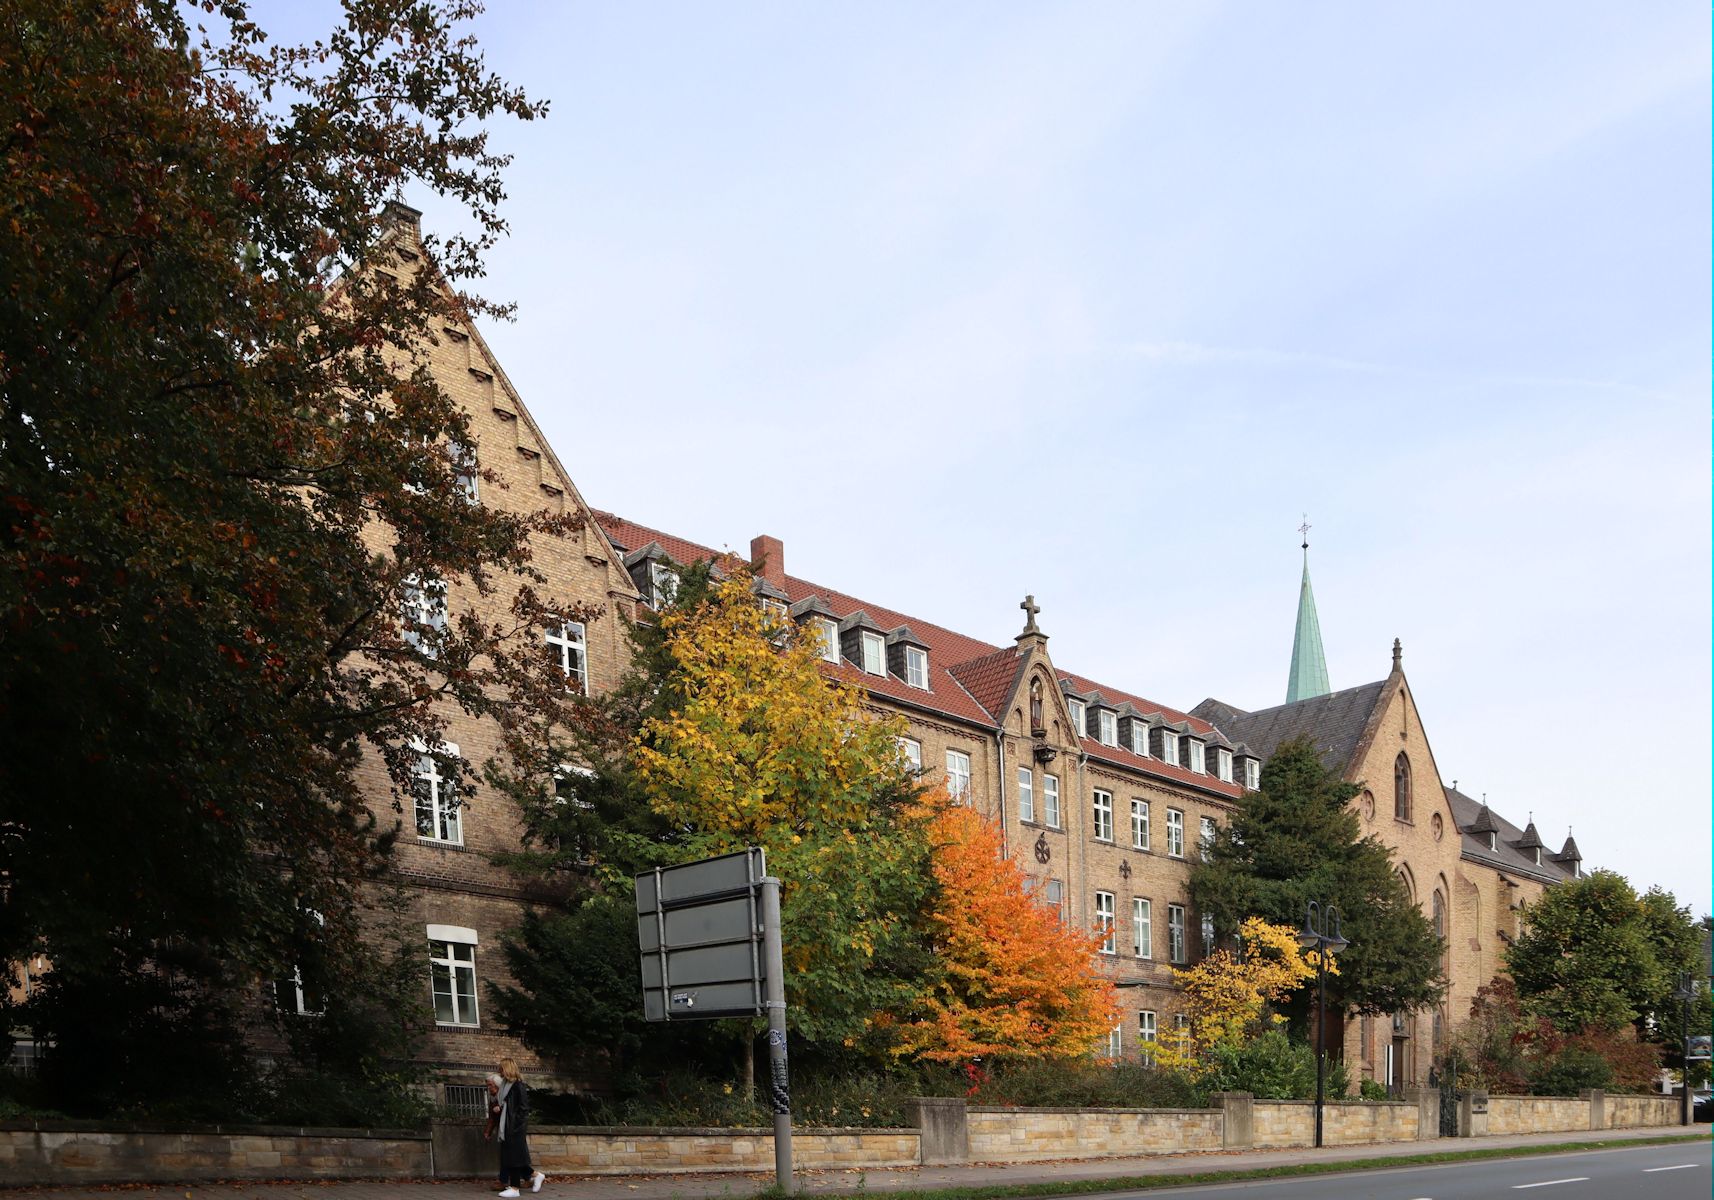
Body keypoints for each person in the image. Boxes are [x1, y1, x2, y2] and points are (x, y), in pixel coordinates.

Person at [492, 1058, 545, 1197]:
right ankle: (536, 1175)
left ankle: (515, 1189)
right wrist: (501, 1107)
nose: (499, 1071)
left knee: (513, 1158)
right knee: (511, 1158)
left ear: (508, 1069)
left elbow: (523, 1109)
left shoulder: (518, 1086)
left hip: (514, 1128)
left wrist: (516, 1127)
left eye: (501, 1068)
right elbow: (509, 1105)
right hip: (507, 1127)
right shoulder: (506, 1085)